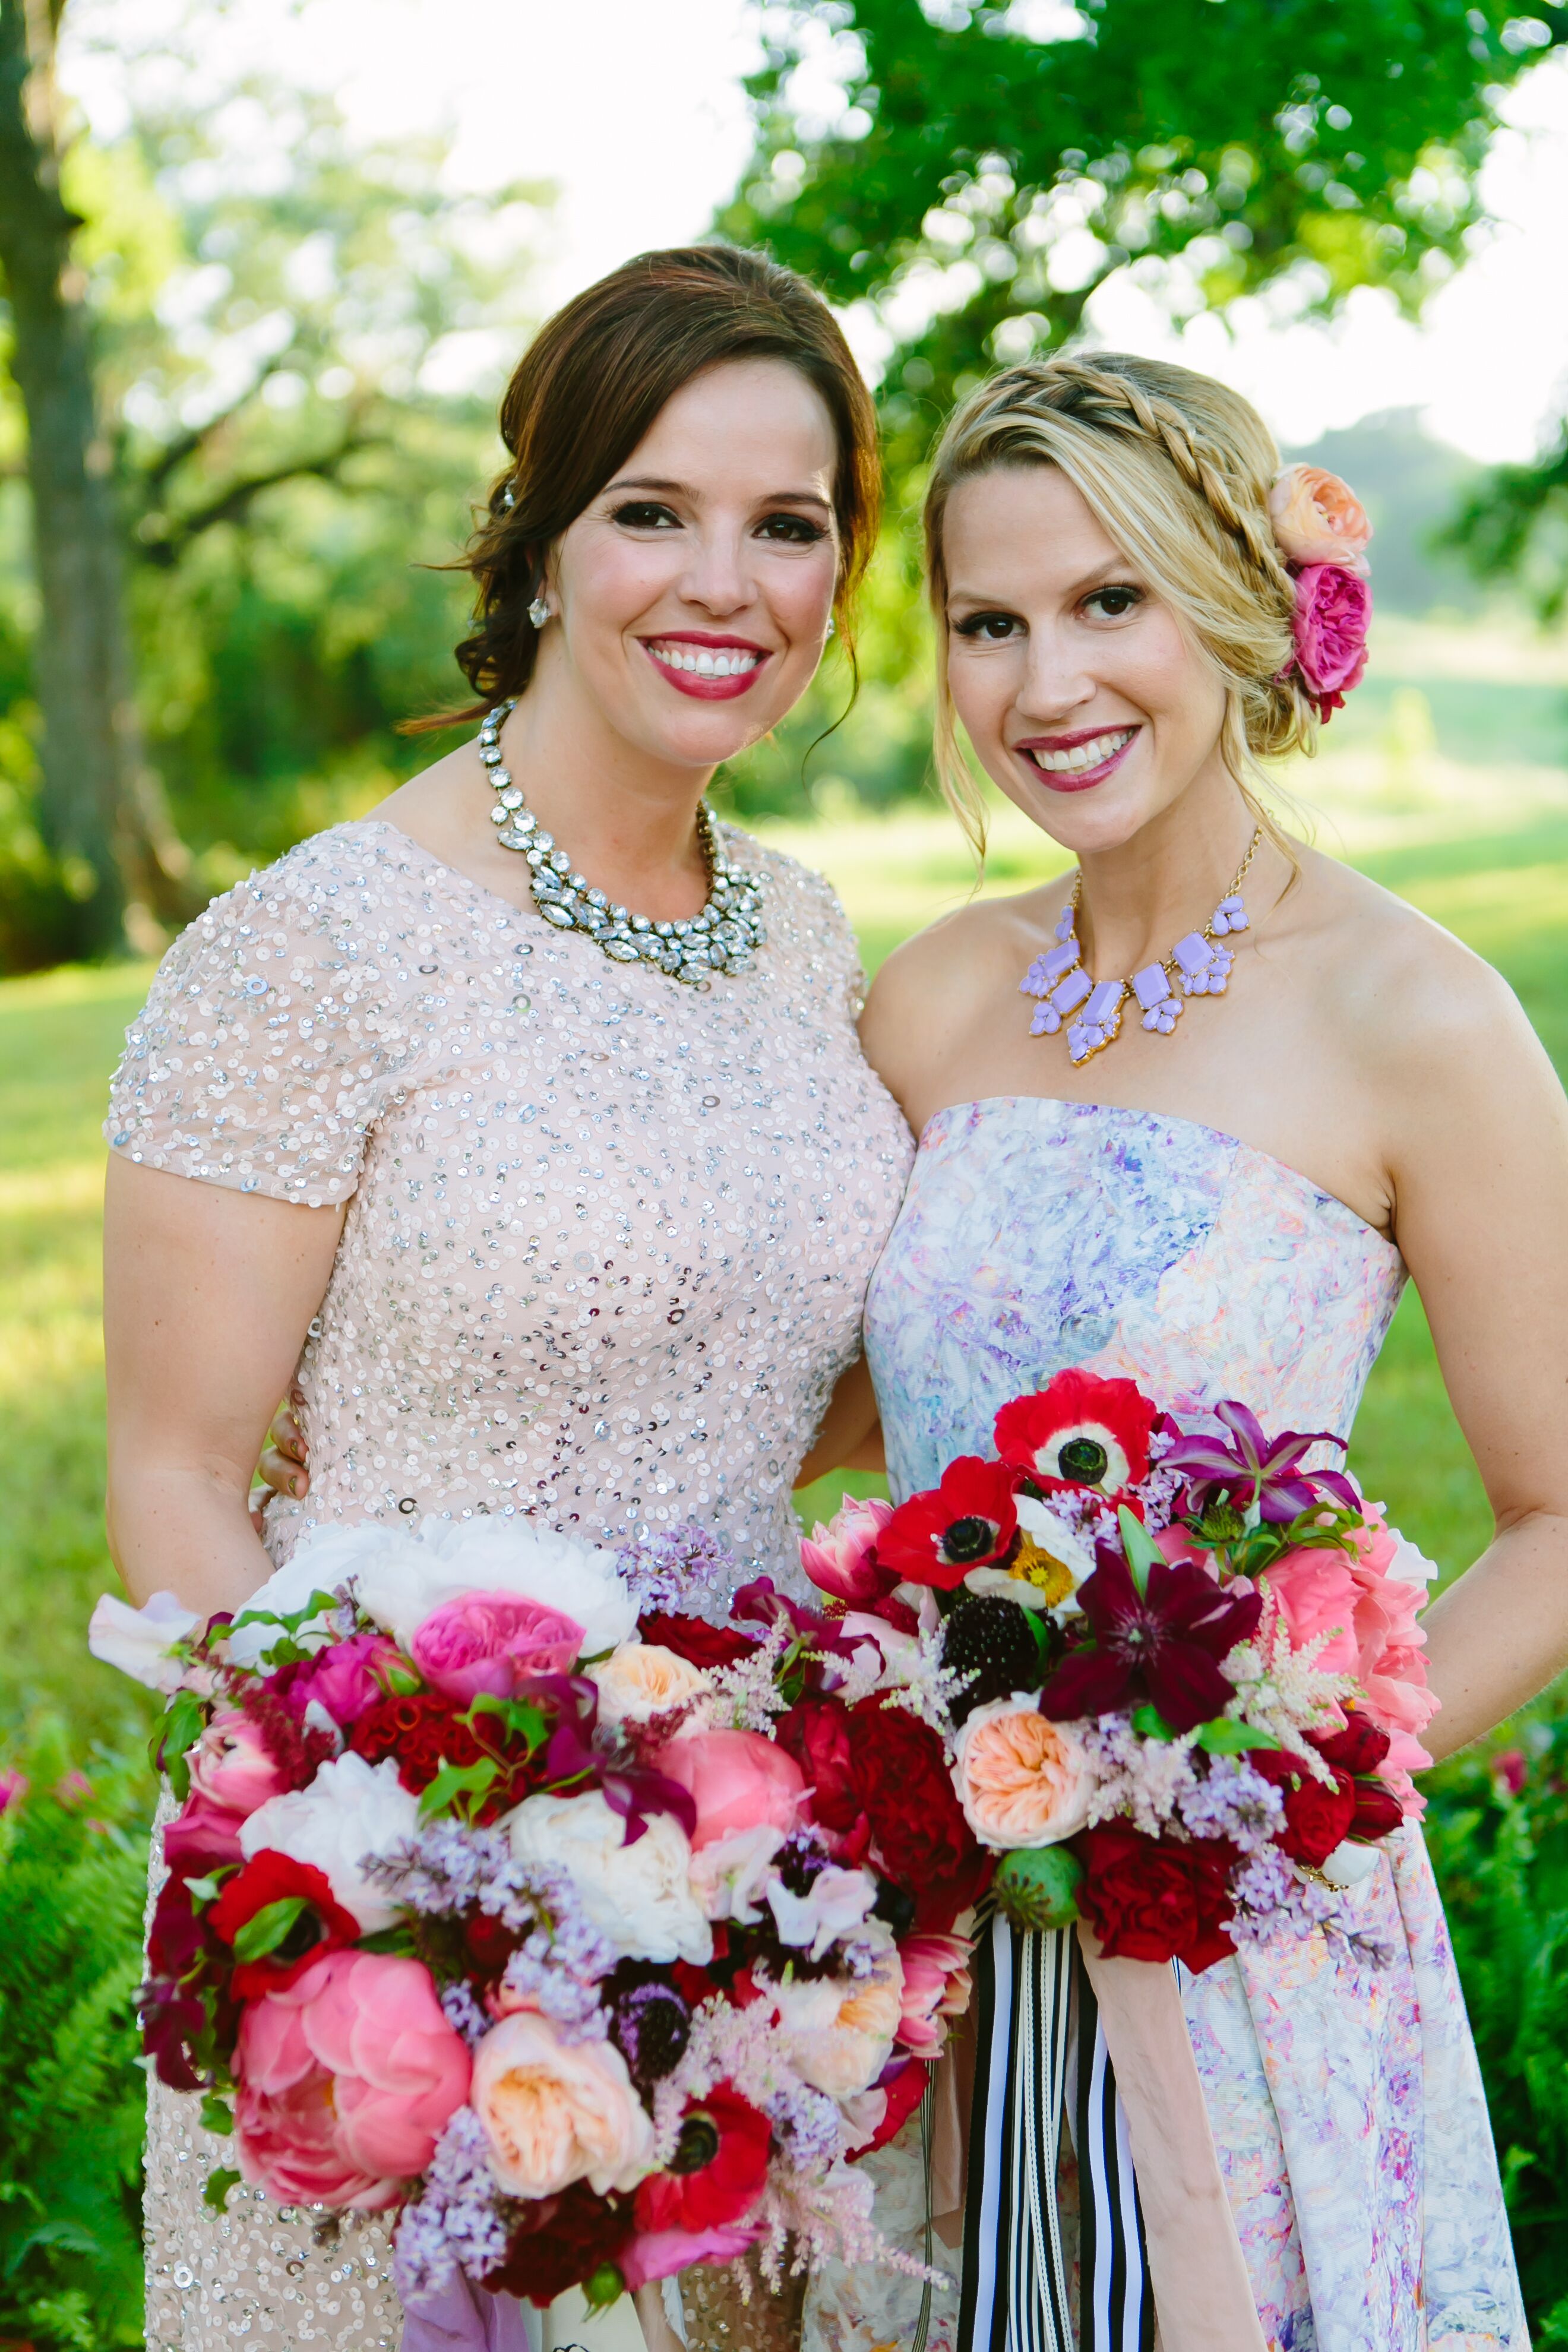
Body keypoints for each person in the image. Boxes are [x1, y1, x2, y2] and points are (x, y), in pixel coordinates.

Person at [101, 244, 913, 2352]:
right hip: (404, 1944)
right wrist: (410, 1900)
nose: (720, 580)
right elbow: (178, 1483)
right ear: (542, 538)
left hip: (765, 1924)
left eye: (788, 524)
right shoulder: (314, 952)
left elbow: (785, 1380)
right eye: (652, 508)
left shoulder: (808, 940)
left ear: (843, 574)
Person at [831, 351, 1556, 2350]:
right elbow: (795, 1410)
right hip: (947, 1935)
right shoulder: (937, 997)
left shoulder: (1420, 1016)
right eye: (990, 623)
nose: (1046, 683)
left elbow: (1564, 1516)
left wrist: (1263, 1776)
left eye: (1108, 601)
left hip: (1244, 1934)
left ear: (1236, 601)